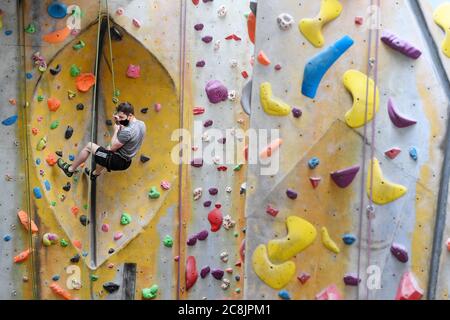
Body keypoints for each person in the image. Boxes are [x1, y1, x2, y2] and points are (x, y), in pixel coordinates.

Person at [57, 102, 146, 181]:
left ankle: (69, 170)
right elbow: (129, 137)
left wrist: (115, 130)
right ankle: (94, 174)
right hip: (127, 161)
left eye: (121, 117)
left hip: (116, 161)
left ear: (130, 115)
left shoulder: (127, 131)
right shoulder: (141, 124)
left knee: (89, 146)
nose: (119, 119)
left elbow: (112, 147)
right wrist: (120, 123)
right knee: (104, 153)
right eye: (118, 116)